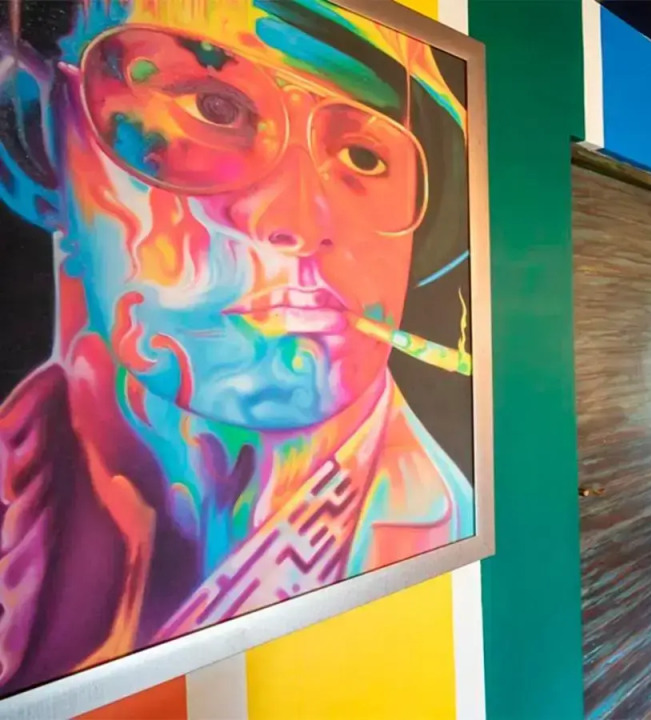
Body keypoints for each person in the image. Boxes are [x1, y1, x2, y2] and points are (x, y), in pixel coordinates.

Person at [0, 0, 473, 694]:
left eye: (363, 154)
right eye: (214, 108)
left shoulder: (435, 531)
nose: (299, 221)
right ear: (31, 138)